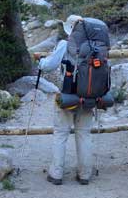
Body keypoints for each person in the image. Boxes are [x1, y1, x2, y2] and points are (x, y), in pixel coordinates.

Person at [35, 15, 93, 186]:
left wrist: (40, 61)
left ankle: (56, 173)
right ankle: (85, 174)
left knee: (61, 134)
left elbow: (48, 66)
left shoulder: (64, 44)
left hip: (68, 96)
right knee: (84, 135)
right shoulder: (94, 46)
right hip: (89, 95)